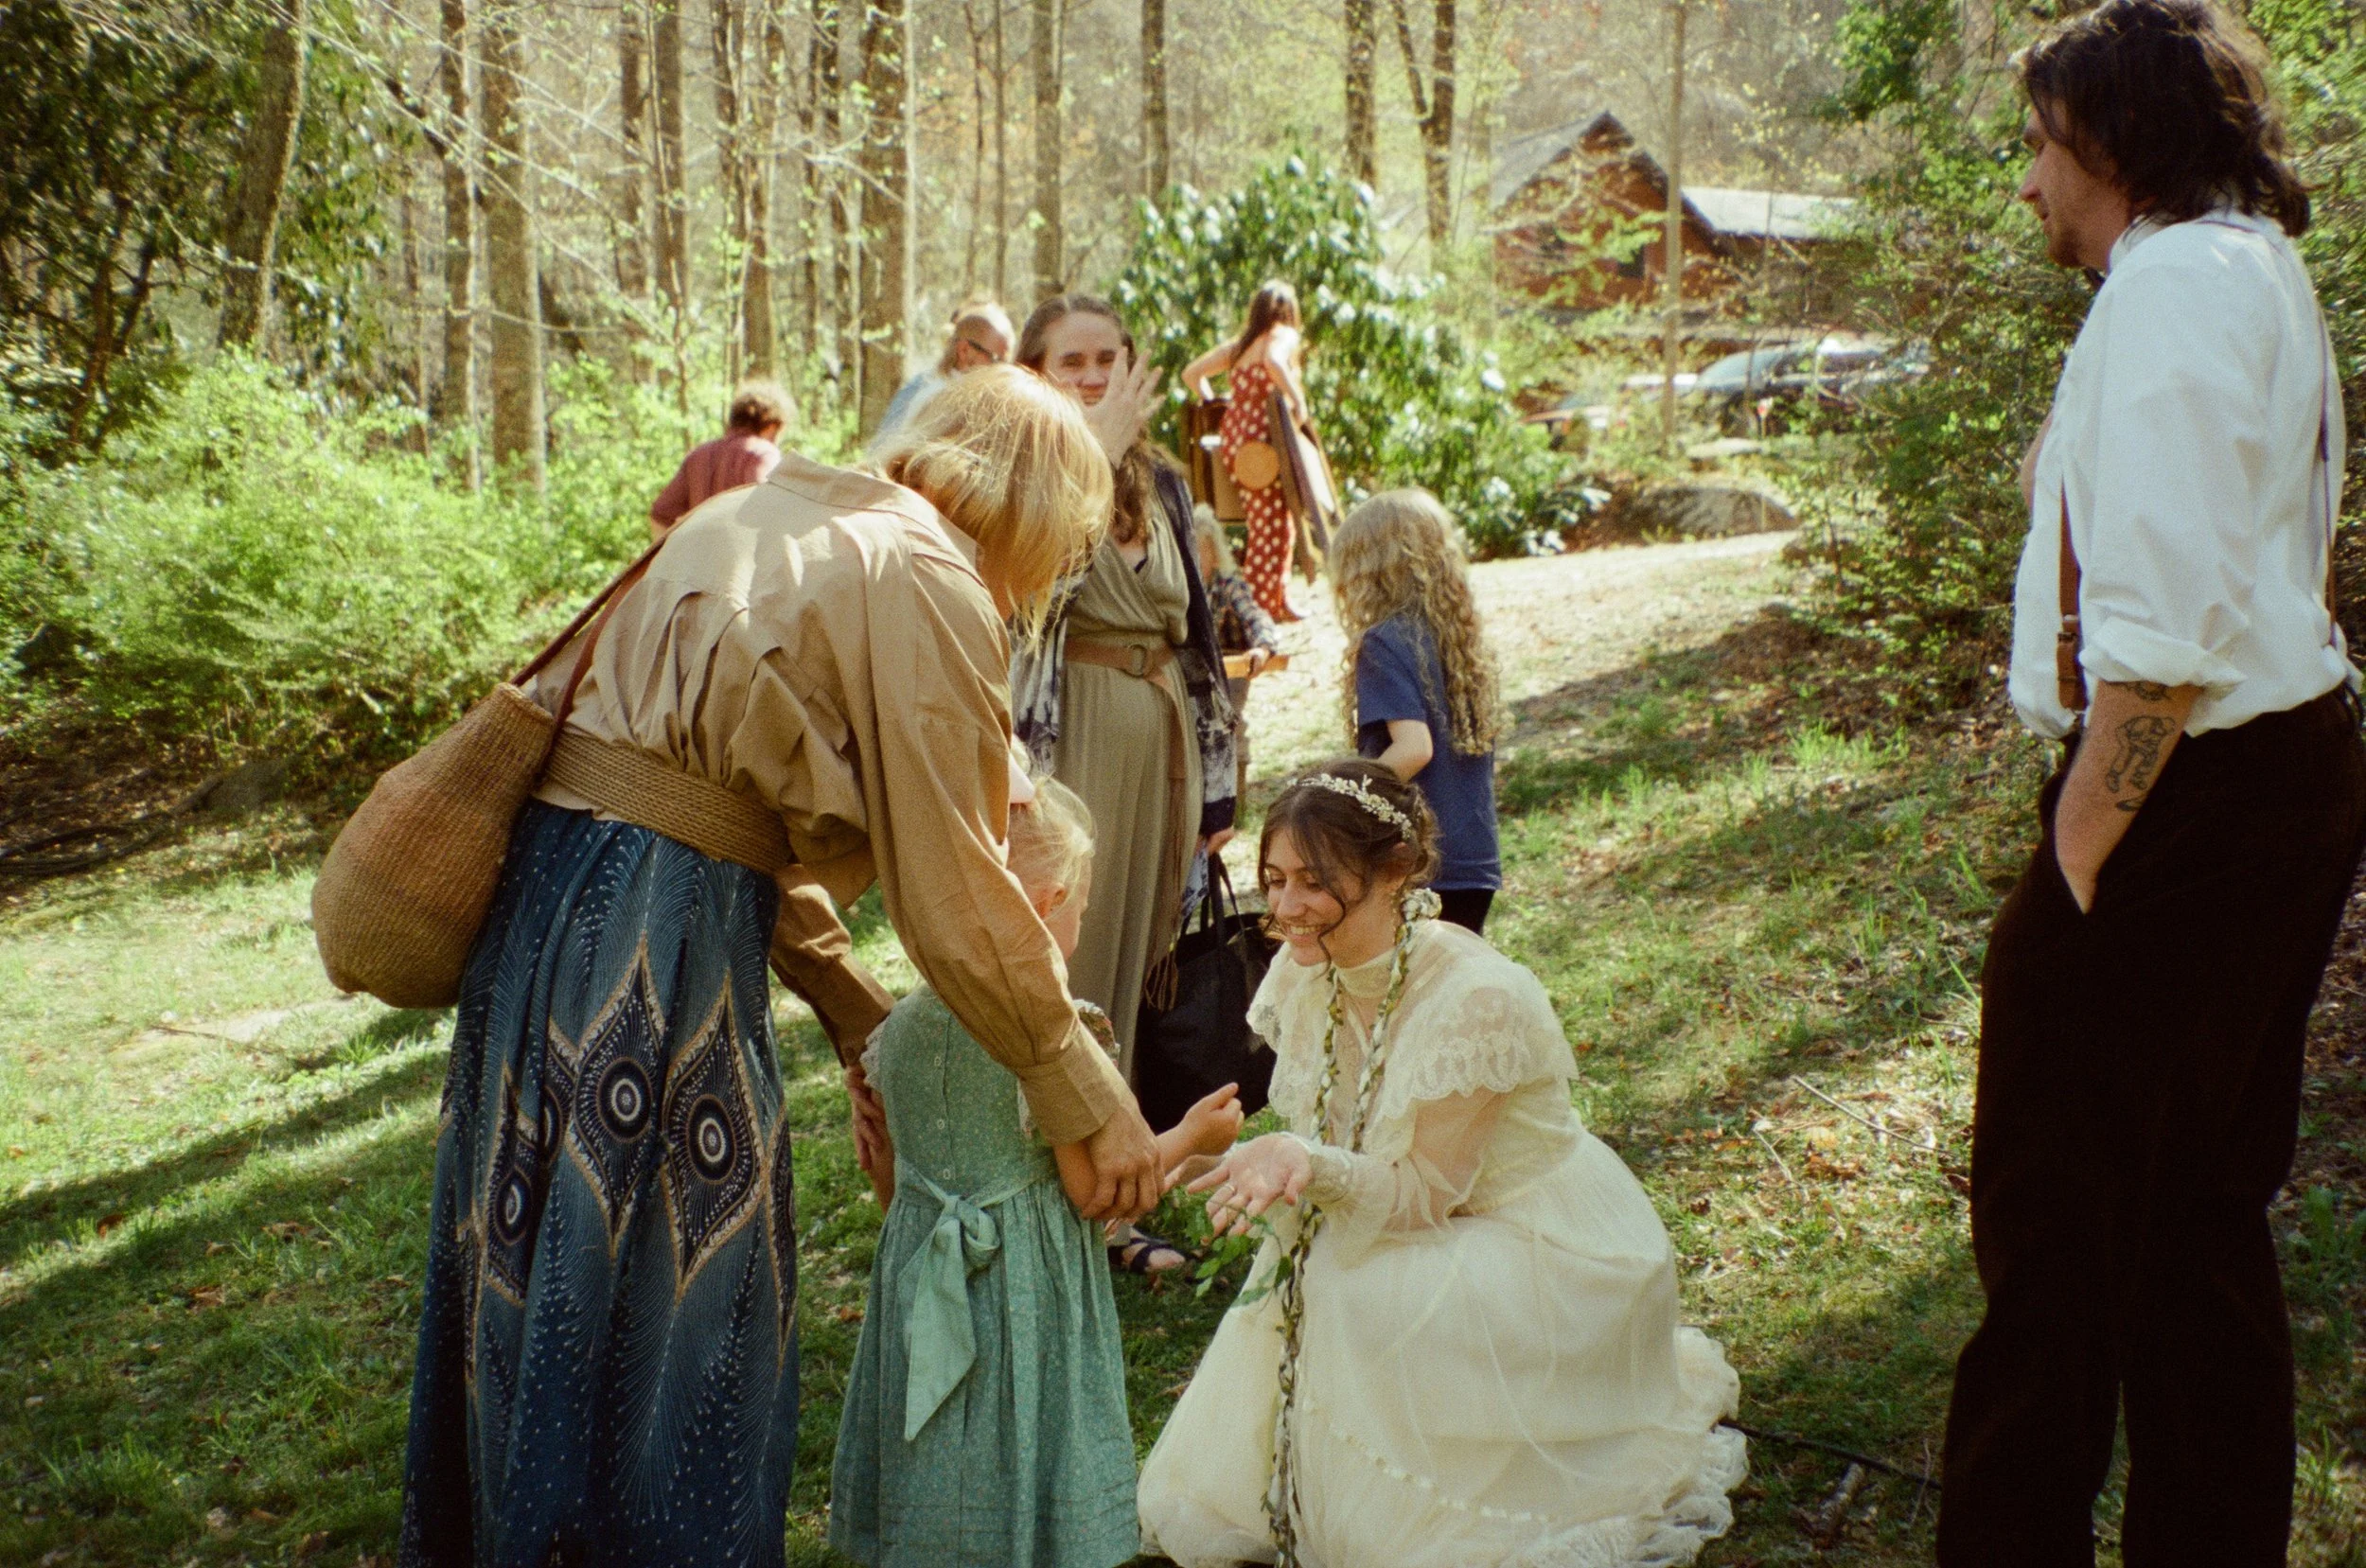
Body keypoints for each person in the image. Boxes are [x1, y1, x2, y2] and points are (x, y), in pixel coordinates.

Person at [397, 366, 1165, 1568]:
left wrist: (857, 1017)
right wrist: (1090, 1098)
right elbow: (958, 889)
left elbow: (722, 823)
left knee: (549, 1293)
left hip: (547, 928)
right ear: (1035, 510)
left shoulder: (758, 515)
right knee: (685, 1322)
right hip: (657, 957)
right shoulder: (922, 571)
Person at [1937, 5, 2366, 1564]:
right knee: (2195, 1216)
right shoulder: (2244, 262)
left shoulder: (2179, 290)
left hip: (2195, 782)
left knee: (2054, 1235)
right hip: (2275, 764)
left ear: (2112, 148)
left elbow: (2168, 634)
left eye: (2043, 147)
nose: (2030, 185)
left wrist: (2081, 845)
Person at [1137, 760, 1746, 1567]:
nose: (1284, 909)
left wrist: (1305, 1162)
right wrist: (1260, 1159)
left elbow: (1426, 1193)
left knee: (1352, 1292)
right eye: (1275, 879)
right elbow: (1340, 1131)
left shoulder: (1477, 999)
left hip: (1537, 1238)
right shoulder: (1305, 967)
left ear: (1394, 873)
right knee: (1302, 1273)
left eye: (1314, 883)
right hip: (1409, 1211)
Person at [830, 773, 1245, 1568]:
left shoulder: (899, 1031)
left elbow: (891, 1189)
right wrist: (1194, 1134)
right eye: (1083, 911)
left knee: (946, 1447)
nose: (1082, 927)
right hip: (1025, 1294)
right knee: (1019, 1433)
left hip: (923, 1281)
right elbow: (1097, 1191)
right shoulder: (1055, 1037)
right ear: (1050, 901)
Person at [1012, 293, 1239, 1275]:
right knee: (1078, 963)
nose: (1097, 376)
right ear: (1035, 374)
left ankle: (1125, 1186)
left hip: (1164, 745)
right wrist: (1086, 454)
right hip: (1079, 747)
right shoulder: (1025, 477)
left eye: (1111, 358)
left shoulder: (1167, 483)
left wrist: (1219, 787)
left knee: (1148, 961)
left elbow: (1205, 633)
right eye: (1074, 361)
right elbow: (1027, 599)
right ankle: (1067, 1200)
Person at [1331, 488, 1504, 935]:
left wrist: (1338, 797)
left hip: (1422, 863)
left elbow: (1413, 749)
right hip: (1474, 859)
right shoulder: (1455, 638)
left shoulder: (1385, 641)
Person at [1184, 280, 1313, 623]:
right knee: (1269, 524)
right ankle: (1255, 608)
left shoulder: (1240, 346)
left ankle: (1277, 599)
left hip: (1237, 437)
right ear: (1287, 312)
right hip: (1263, 440)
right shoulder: (1280, 336)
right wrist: (1298, 400)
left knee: (1274, 520)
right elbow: (1273, 361)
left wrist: (1215, 401)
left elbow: (1192, 374)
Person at [1194, 502, 1280, 802]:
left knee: (1230, 721)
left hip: (1230, 668)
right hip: (1196, 670)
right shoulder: (1179, 586)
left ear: (1214, 554)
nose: (1193, 558)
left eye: (1200, 551)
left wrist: (1263, 646)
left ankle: (1237, 797)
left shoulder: (1228, 583)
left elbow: (1256, 617)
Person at [868, 298, 1016, 453]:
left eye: (1008, 363)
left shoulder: (966, 395)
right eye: (996, 360)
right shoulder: (942, 400)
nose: (1003, 371)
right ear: (964, 350)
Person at [647, 379, 790, 537]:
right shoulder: (764, 453)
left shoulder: (698, 455)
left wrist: (672, 558)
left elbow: (660, 514)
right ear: (772, 426)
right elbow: (765, 506)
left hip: (702, 556)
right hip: (744, 557)